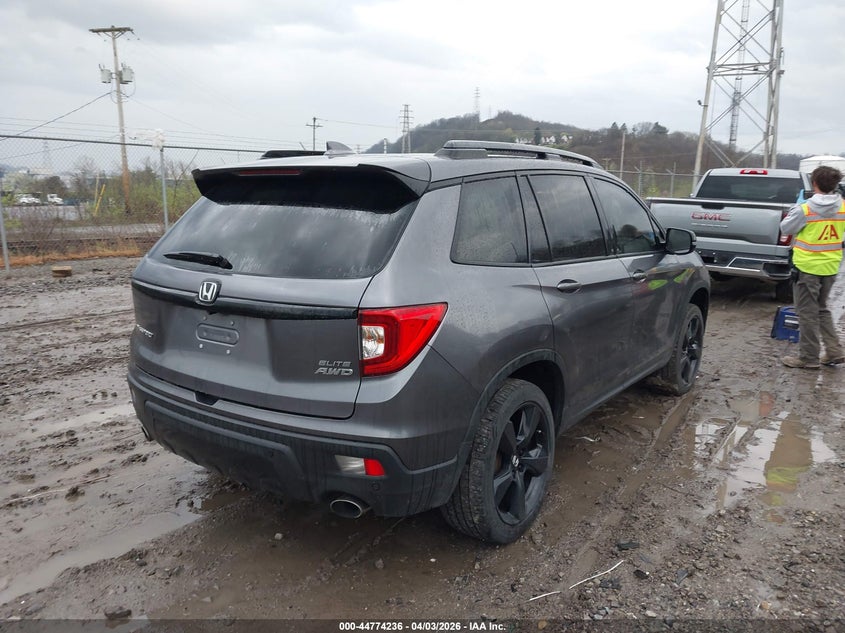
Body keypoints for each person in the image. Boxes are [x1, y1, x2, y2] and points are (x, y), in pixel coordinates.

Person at [779, 165, 845, 368]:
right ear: (835, 185)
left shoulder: (805, 208)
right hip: (830, 266)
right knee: (822, 308)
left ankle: (808, 358)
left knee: (806, 312)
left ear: (814, 183)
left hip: (807, 268)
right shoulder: (842, 206)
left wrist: (796, 209)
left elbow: (786, 228)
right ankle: (834, 351)